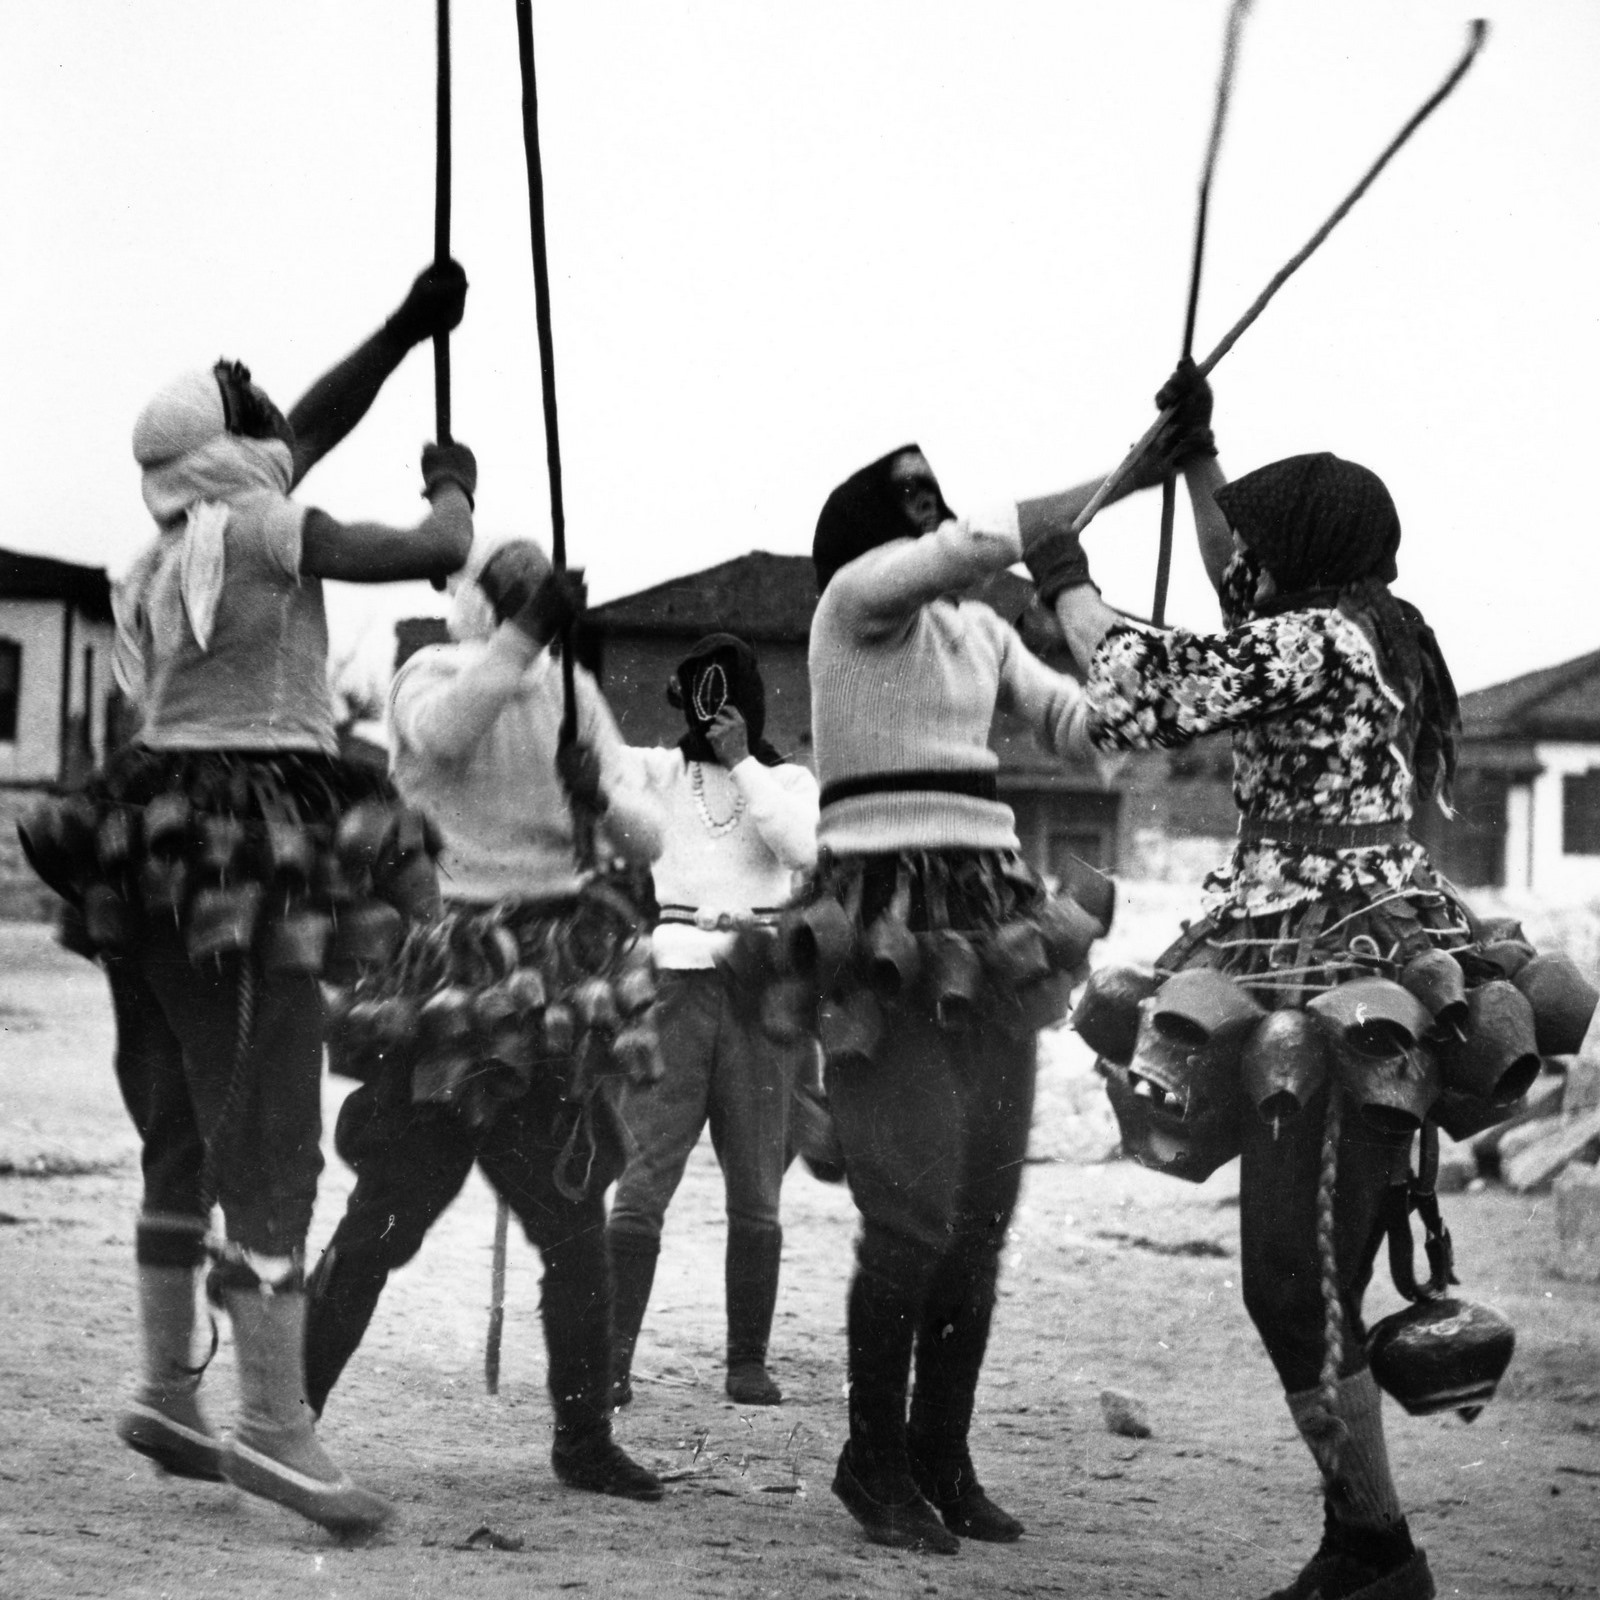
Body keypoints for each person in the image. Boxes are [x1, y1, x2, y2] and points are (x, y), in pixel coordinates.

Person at [14, 261, 475, 1536]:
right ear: (229, 452)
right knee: (268, 1121)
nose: (280, 416)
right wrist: (454, 487)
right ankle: (275, 1425)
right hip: (249, 842)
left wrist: (401, 331)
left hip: (146, 837)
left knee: (177, 1117)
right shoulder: (268, 531)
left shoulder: (165, 551)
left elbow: (303, 428)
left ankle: (170, 1388)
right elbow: (436, 551)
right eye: (256, 408)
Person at [1026, 362, 1482, 1600]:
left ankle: (1375, 1547)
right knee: (1302, 1273)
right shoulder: (1368, 625)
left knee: (1291, 1277)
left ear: (1297, 560)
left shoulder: (1313, 637)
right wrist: (1197, 460)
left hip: (1324, 971)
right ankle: (1366, 1542)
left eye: (1254, 547)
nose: (1239, 565)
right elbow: (1242, 578)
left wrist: (1064, 576)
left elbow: (1142, 696)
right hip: (1356, 954)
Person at [795, 425, 1201, 1556]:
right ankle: (869, 1457)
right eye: (910, 497)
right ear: (871, 530)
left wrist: (1128, 702)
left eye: (938, 493)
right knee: (912, 1213)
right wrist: (1132, 470)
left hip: (988, 917)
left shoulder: (977, 627)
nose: (933, 510)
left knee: (978, 1217)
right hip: (881, 916)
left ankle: (940, 1455)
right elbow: (981, 542)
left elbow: (1077, 725)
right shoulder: (851, 606)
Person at [301, 535, 668, 1503]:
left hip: (553, 960)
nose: (525, 606)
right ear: (487, 605)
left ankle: (583, 1436)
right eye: (514, 595)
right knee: (387, 1211)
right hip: (448, 960)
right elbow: (444, 736)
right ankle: (288, 1416)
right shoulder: (436, 668)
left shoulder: (574, 691)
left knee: (572, 1214)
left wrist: (603, 798)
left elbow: (644, 826)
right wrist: (525, 638)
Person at [606, 634, 820, 1409]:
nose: (717, 709)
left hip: (761, 992)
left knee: (757, 1184)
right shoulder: (657, 772)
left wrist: (743, 762)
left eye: (731, 693)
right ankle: (613, 1355)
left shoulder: (789, 780)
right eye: (704, 692)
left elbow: (800, 847)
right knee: (642, 1175)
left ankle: (746, 1361)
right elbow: (586, 753)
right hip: (674, 989)